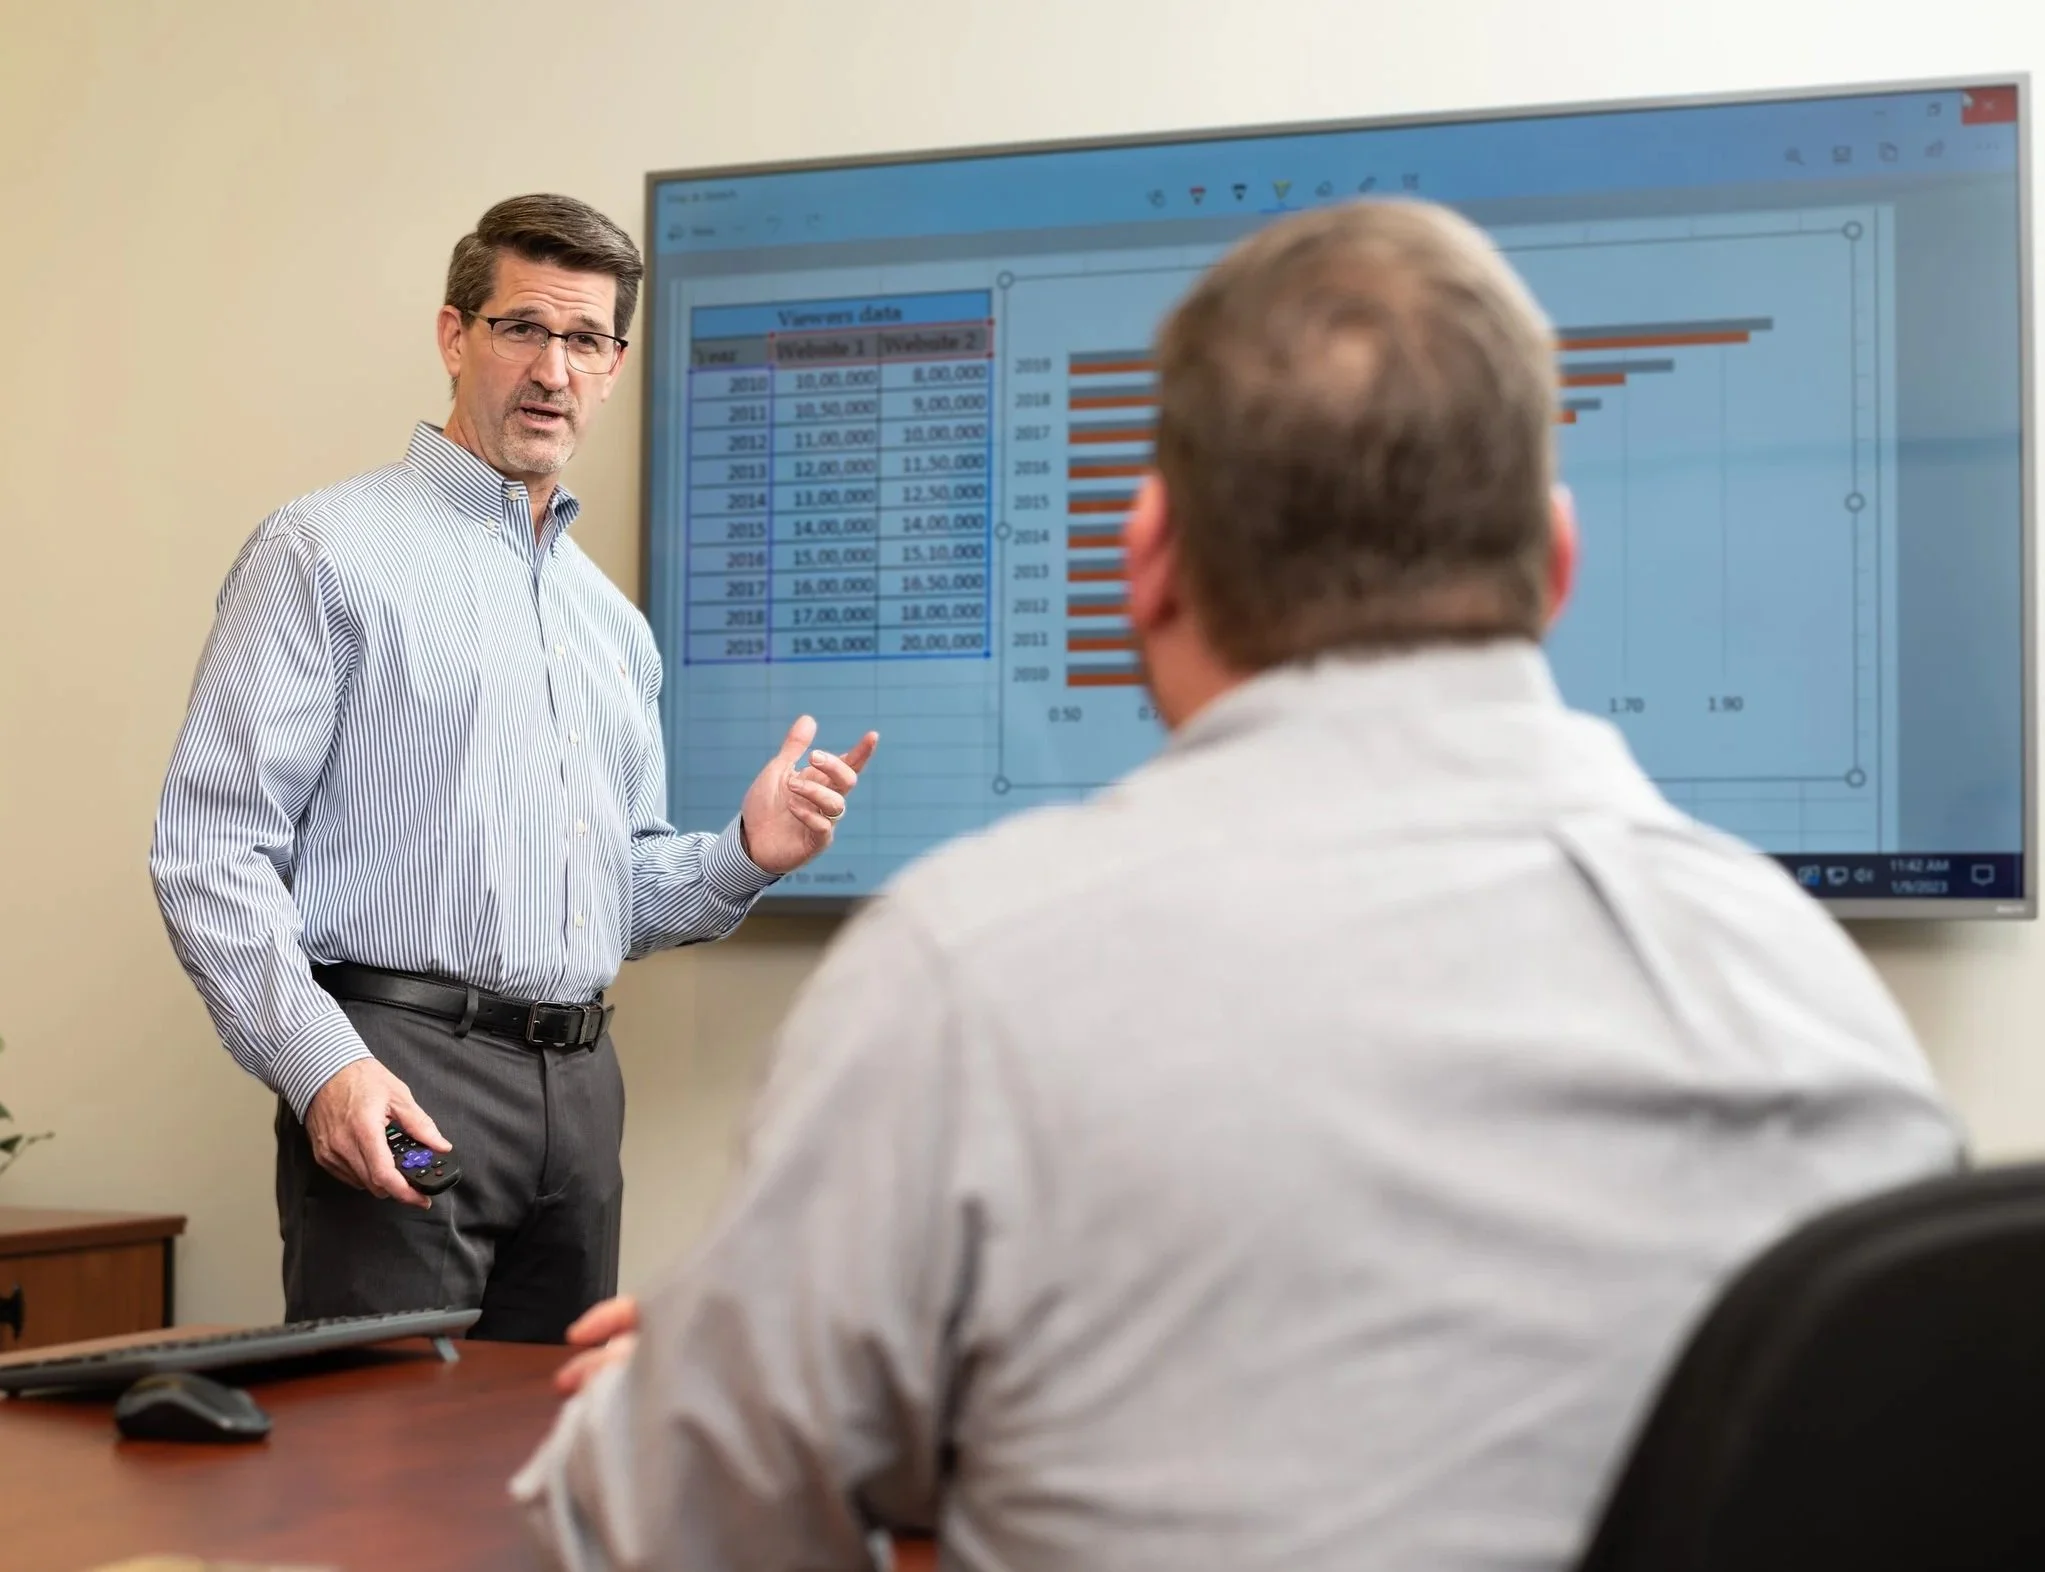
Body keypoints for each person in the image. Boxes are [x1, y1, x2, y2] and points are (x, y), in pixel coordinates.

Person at [509, 201, 1960, 1569]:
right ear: (1556, 567)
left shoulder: (975, 969)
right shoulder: (1815, 1002)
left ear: (1147, 564)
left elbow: (654, 1525)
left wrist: (733, 1385)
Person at [150, 194, 877, 1344]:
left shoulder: (611, 626)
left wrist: (746, 855)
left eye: (584, 341)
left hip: (580, 1093)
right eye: (522, 329)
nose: (553, 370)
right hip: (396, 1067)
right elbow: (209, 852)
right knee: (388, 1486)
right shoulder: (324, 551)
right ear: (454, 336)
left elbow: (615, 895)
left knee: (549, 1469)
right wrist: (321, 1067)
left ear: (617, 364)